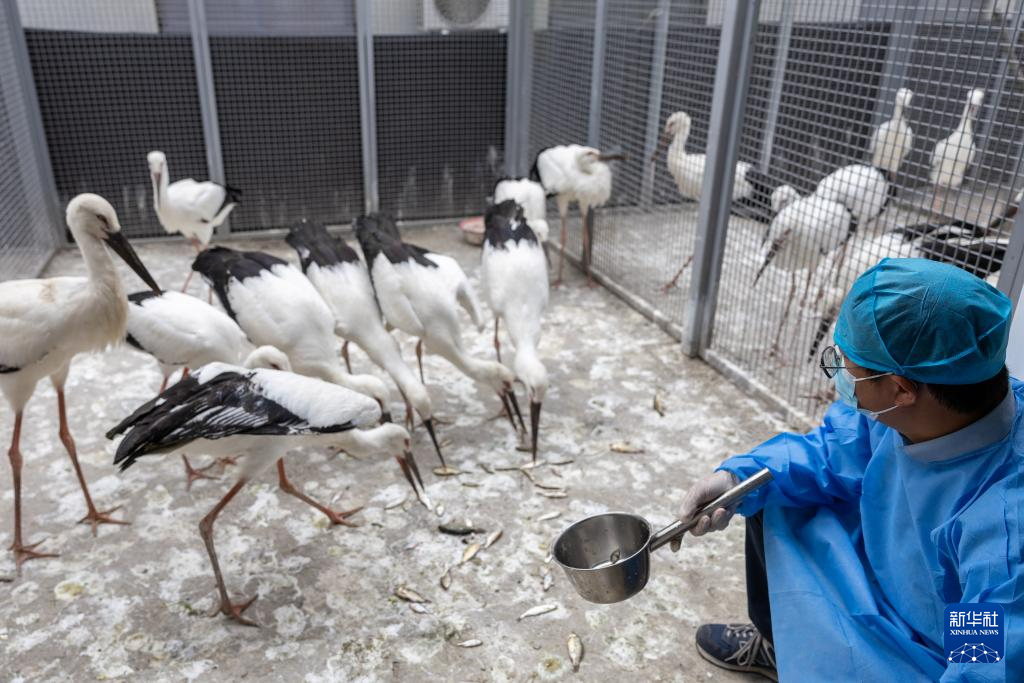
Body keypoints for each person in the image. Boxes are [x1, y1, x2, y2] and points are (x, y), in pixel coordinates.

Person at [677, 258, 1021, 681]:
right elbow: (833, 451)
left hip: (930, 652)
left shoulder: (1003, 536)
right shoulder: (930, 405)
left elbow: (982, 667)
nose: (839, 376)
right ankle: (774, 644)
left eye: (848, 367)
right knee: (769, 489)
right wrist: (735, 479)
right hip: (889, 575)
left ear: (900, 389)